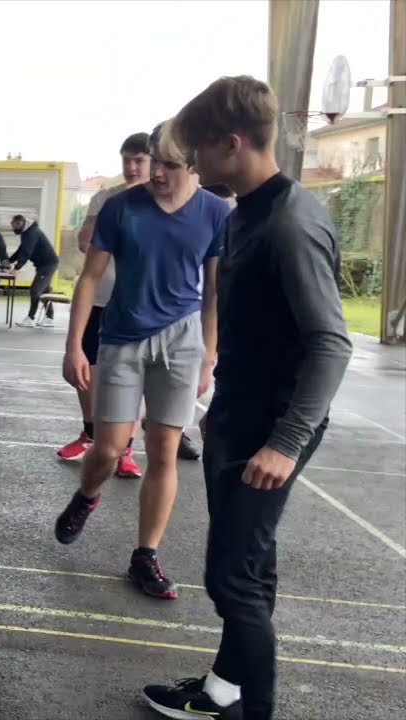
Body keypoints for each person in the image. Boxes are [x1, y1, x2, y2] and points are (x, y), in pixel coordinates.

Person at [142, 75, 351, 720]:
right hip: (238, 414)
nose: (192, 164)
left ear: (231, 144)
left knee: (233, 577)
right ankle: (222, 691)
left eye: (198, 151)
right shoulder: (246, 213)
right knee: (247, 569)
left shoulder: (289, 223)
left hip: (270, 427)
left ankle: (250, 710)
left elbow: (330, 343)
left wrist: (284, 443)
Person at [56, 120, 230, 600]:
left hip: (182, 341)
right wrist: (74, 346)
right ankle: (87, 496)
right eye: (154, 161)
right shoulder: (120, 208)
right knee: (109, 449)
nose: (156, 173)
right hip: (122, 339)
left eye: (169, 165)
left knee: (163, 451)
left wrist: (209, 355)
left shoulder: (216, 213)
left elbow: (214, 290)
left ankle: (145, 555)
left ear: (193, 165)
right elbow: (89, 278)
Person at [56, 132, 151, 479]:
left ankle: (125, 447)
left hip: (137, 305)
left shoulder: (160, 203)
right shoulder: (105, 199)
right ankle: (90, 432)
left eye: (139, 160)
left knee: (134, 376)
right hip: (98, 299)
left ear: (153, 162)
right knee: (87, 369)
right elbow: (84, 244)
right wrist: (105, 215)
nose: (131, 166)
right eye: (127, 159)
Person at [8, 215, 59, 327]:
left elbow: (26, 252)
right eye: (13, 225)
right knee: (45, 291)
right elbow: (21, 249)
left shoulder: (32, 233)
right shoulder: (27, 232)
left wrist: (17, 268)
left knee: (35, 290)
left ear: (22, 222)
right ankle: (49, 318)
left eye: (16, 225)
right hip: (43, 265)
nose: (14, 228)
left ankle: (31, 318)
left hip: (48, 264)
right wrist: (9, 261)